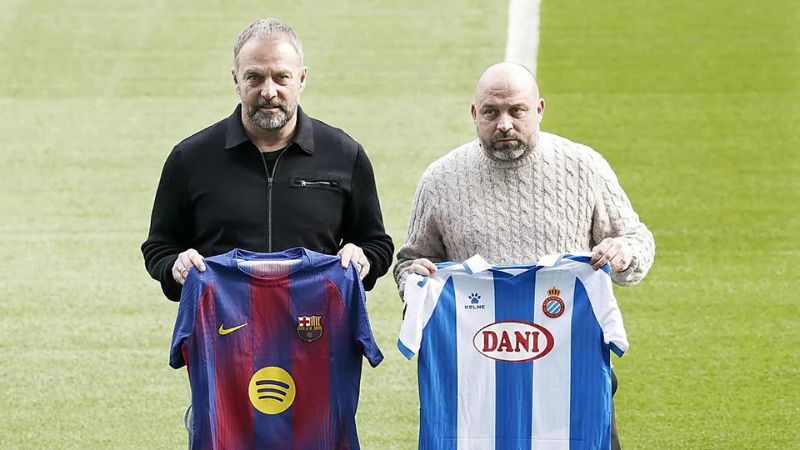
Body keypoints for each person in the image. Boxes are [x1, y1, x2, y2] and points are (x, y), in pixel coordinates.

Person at [141, 17, 393, 445]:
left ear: (302, 79)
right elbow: (159, 247)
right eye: (254, 77)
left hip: (316, 349)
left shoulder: (343, 155)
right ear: (236, 80)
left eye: (281, 77)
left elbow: (377, 242)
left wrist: (363, 258)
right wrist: (175, 268)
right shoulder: (190, 159)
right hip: (227, 353)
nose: (269, 91)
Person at [394, 62, 655, 450]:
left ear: (539, 110)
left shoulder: (584, 168)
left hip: (571, 385)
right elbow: (410, 262)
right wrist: (412, 277)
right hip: (477, 396)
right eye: (491, 112)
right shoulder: (440, 180)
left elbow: (637, 239)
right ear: (473, 114)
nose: (504, 124)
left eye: (517, 111)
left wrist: (623, 252)